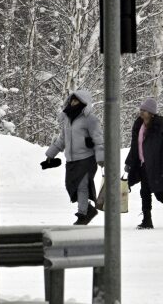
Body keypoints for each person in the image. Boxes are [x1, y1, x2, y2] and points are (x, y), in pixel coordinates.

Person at [44, 90, 104, 225]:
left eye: (76, 100)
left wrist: (101, 157)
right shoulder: (67, 118)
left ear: (84, 102)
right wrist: (50, 153)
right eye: (71, 100)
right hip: (71, 160)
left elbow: (99, 139)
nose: (73, 103)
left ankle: (82, 215)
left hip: (87, 159)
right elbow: (62, 139)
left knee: (82, 186)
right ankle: (88, 209)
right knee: (70, 186)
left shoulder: (90, 119)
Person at [125, 98, 163, 229]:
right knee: (144, 192)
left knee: (159, 192)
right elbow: (135, 146)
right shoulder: (139, 125)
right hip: (143, 164)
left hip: (156, 165)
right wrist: (129, 162)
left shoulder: (161, 126)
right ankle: (147, 221)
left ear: (152, 113)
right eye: (141, 110)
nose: (142, 112)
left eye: (144, 110)